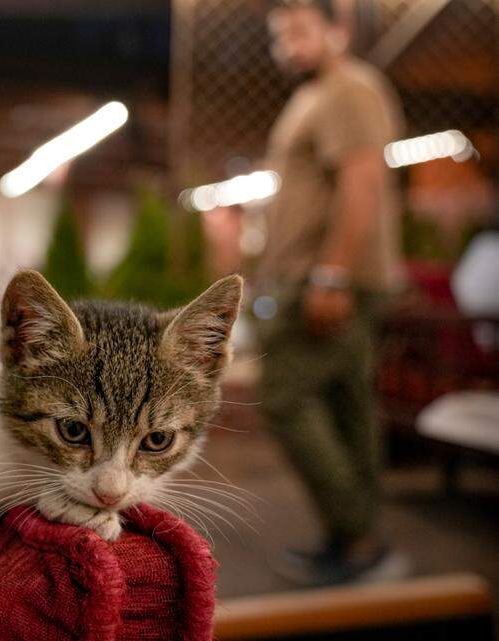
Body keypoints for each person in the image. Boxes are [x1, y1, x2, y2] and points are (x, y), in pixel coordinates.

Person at [257, 0, 407, 585]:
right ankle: (357, 542)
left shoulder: (349, 89)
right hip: (315, 276)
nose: (289, 45)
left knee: (285, 397)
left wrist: (331, 275)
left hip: (325, 279)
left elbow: (363, 181)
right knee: (348, 407)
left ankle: (358, 535)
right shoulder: (314, 95)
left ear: (338, 31)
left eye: (300, 31)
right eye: (280, 36)